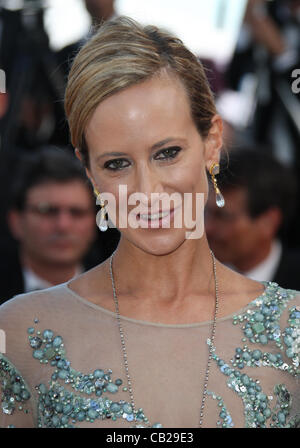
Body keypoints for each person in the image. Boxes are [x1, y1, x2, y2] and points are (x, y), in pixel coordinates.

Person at [0, 17, 299, 429]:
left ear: (212, 142)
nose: (146, 190)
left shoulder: (293, 328)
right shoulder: (17, 333)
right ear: (88, 172)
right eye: (117, 164)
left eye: (167, 153)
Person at [0, 147, 98, 305]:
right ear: (16, 221)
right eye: (47, 211)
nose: (63, 226)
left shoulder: (120, 294)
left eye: (77, 212)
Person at [205, 147, 300, 290]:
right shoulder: (196, 276)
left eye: (223, 217)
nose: (208, 227)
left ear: (268, 222)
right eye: (206, 212)